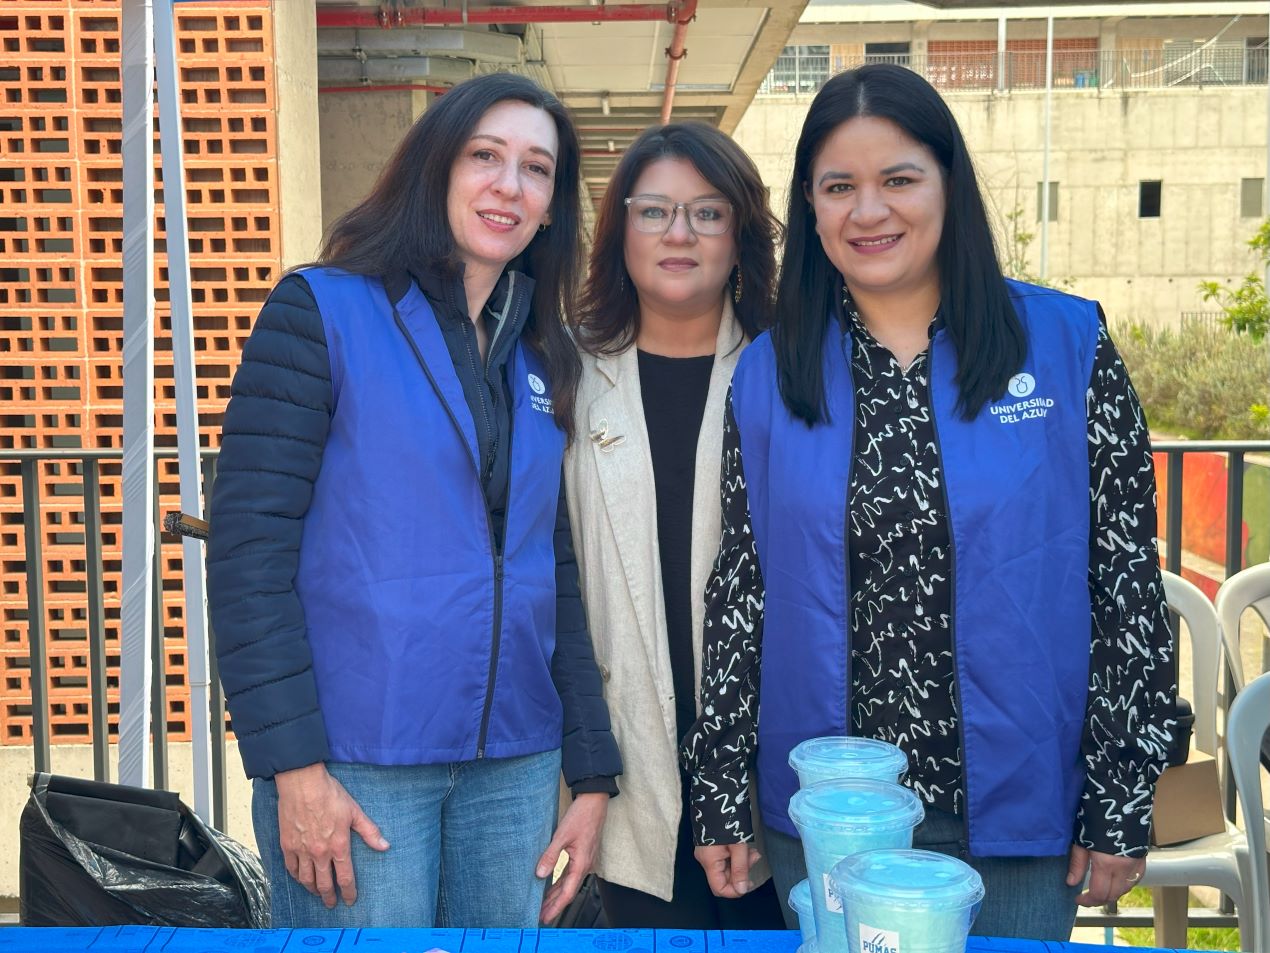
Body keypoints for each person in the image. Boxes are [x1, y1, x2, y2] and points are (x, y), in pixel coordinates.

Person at [680, 63, 1177, 941]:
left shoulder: (1068, 345)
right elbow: (742, 590)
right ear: (811, 206)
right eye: (840, 187)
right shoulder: (768, 373)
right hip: (837, 818)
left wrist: (1120, 795)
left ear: (948, 182)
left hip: (1025, 807)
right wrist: (720, 787)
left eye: (898, 179)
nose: (869, 212)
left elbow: (1127, 582)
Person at [206, 73, 622, 930]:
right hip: (359, 765)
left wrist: (591, 773)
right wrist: (295, 769)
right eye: (485, 156)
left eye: (537, 169)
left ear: (552, 207)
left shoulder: (542, 358)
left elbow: (557, 573)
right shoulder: (320, 310)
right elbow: (249, 556)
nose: (510, 185)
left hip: (513, 765)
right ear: (435, 168)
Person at [564, 122, 786, 928]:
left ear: (742, 233)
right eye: (654, 211)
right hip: (620, 755)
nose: (680, 233)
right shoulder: (565, 375)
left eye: (708, 212)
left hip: (768, 754)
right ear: (620, 228)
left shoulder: (790, 373)